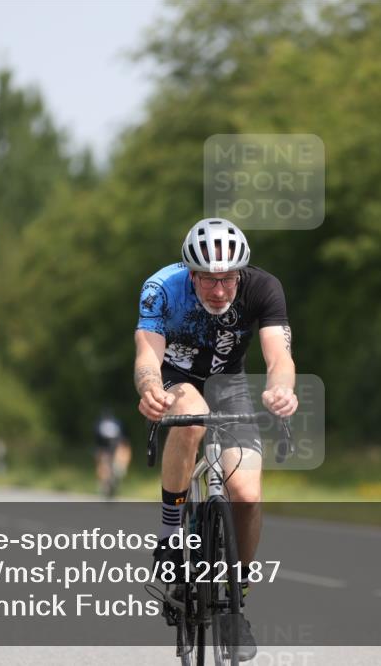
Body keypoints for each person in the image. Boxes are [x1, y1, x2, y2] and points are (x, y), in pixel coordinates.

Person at [134, 217, 298, 660]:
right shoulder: (162, 287)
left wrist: (281, 389)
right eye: (207, 279)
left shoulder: (264, 289)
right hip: (178, 380)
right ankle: (171, 535)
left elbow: (279, 355)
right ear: (191, 273)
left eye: (227, 279)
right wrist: (150, 388)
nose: (219, 290)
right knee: (190, 415)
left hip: (231, 385)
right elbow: (147, 354)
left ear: (240, 274)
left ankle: (236, 599)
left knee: (245, 493)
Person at [94, 408, 132, 498]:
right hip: (114, 446)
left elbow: (96, 438)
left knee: (103, 464)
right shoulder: (116, 423)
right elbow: (122, 436)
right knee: (110, 465)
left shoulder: (99, 423)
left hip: (106, 447)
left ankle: (106, 483)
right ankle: (113, 477)